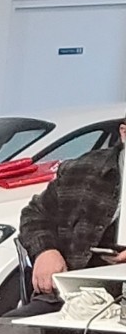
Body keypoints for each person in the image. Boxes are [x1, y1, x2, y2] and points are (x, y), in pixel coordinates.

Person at [23, 123, 125, 297]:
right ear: (124, 133)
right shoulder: (82, 170)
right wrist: (46, 251)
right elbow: (35, 214)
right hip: (74, 290)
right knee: (17, 316)